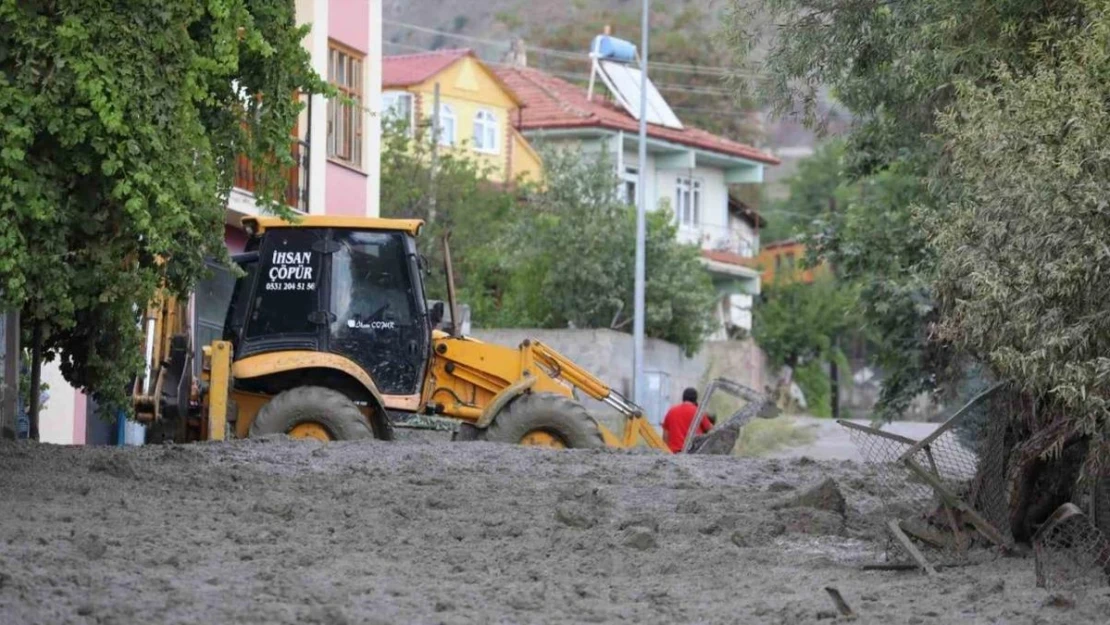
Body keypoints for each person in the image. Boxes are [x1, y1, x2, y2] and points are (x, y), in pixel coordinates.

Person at [661, 387, 713, 453]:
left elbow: (665, 436)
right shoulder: (698, 412)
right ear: (695, 399)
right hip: (692, 453)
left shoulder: (671, 411)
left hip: (674, 454)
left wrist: (666, 452)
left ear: (683, 398)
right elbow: (711, 430)